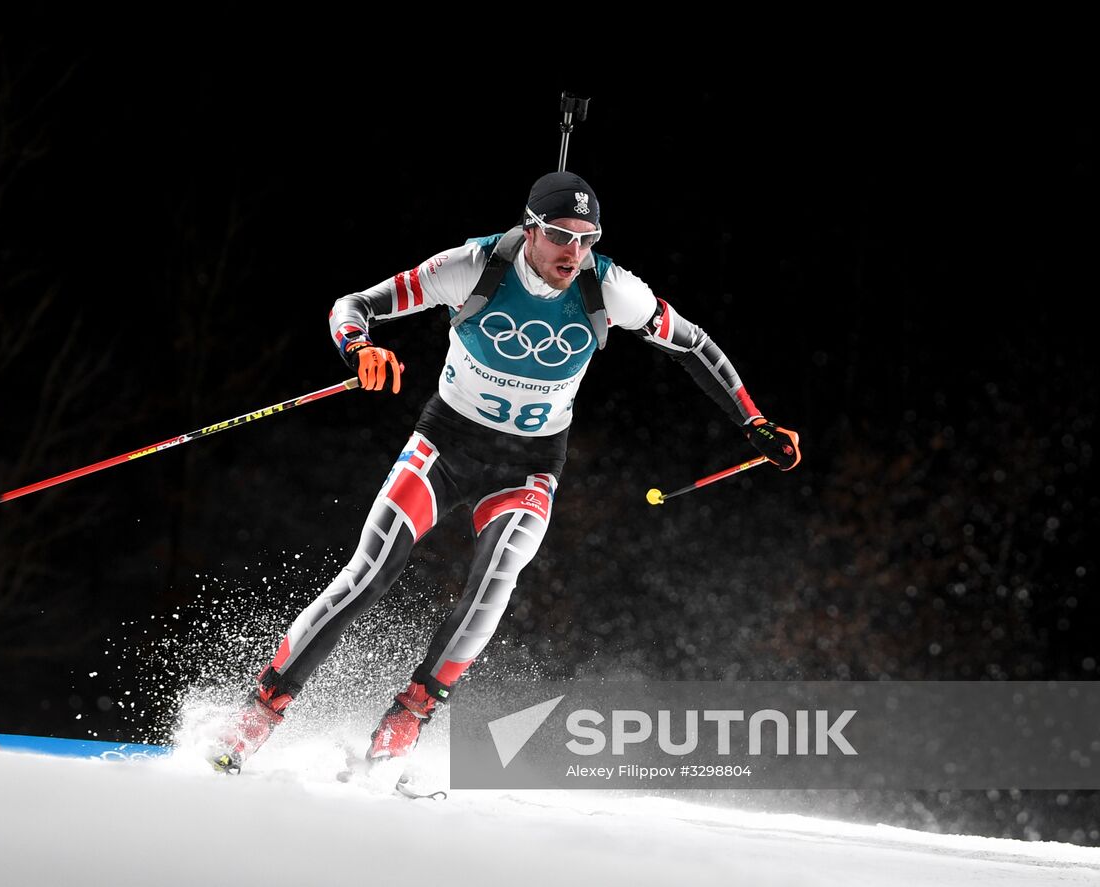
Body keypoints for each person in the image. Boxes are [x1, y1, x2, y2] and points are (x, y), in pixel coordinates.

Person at [209, 171, 801, 774]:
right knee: (369, 572)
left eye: (587, 238)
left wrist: (754, 423)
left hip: (529, 463)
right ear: (529, 229)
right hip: (446, 443)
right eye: (560, 236)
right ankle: (259, 713)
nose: (574, 253)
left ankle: (405, 722)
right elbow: (353, 305)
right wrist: (359, 347)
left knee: (495, 580)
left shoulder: (612, 289)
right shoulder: (475, 266)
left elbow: (695, 344)